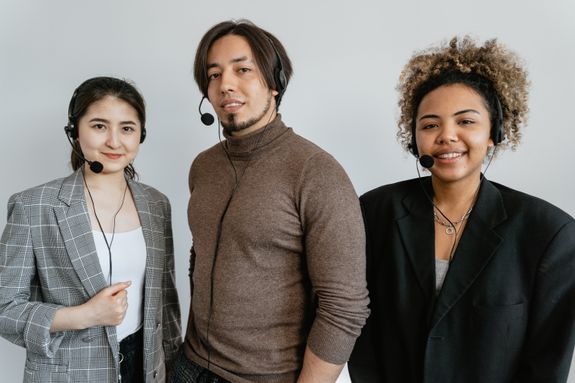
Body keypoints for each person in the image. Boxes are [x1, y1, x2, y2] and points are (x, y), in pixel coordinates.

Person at [348, 37, 575, 382]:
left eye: (466, 122)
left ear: (493, 134)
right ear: (414, 140)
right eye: (430, 125)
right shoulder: (374, 213)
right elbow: (360, 333)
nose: (447, 136)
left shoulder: (549, 233)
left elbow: (547, 363)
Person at [171, 20, 370, 383]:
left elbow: (345, 307)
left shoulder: (317, 173)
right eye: (213, 75)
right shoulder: (203, 167)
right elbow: (200, 258)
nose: (225, 84)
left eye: (242, 69)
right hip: (190, 367)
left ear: (275, 81)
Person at [0, 76, 181, 382]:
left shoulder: (156, 204)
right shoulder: (33, 206)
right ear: (74, 132)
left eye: (127, 128)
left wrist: (173, 369)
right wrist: (84, 316)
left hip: (146, 369)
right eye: (99, 126)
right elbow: (4, 308)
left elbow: (166, 302)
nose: (114, 141)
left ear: (141, 135)